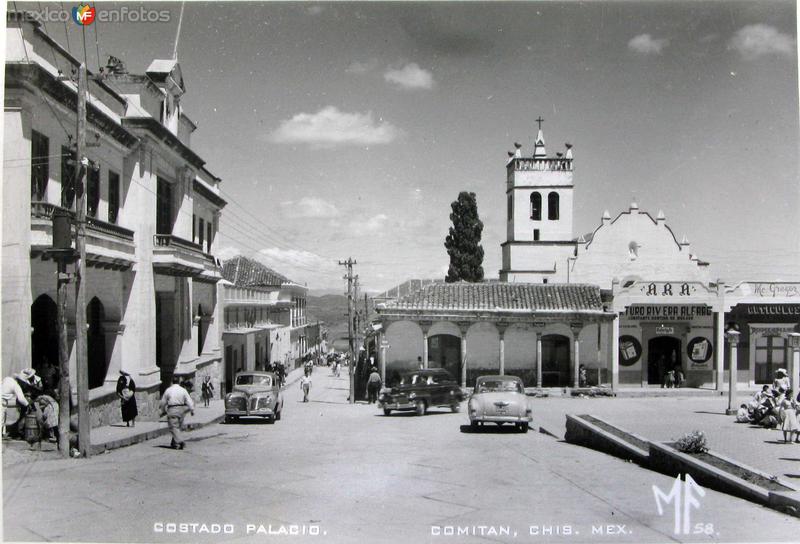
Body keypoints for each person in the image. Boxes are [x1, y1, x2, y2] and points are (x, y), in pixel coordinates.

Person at [159, 376, 194, 450]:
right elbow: (189, 400)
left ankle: (179, 441)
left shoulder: (169, 390)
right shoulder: (183, 390)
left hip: (172, 409)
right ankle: (174, 443)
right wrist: (192, 409)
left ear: (172, 382)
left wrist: (162, 410)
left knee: (173, 427)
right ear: (178, 382)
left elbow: (163, 402)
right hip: (181, 410)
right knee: (178, 427)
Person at [2, 374, 29, 438]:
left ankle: (3, 434)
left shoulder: (7, 378)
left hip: (3, 400)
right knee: (1, 418)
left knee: (3, 418)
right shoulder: (16, 386)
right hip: (2, 400)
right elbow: (21, 399)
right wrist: (27, 404)